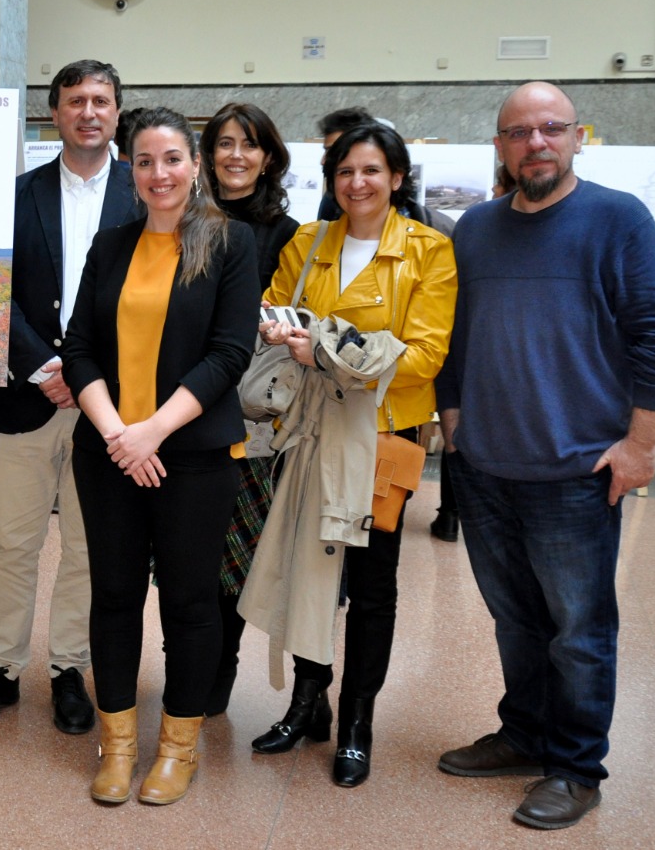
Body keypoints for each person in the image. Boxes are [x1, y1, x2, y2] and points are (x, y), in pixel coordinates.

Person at [435, 82, 655, 830]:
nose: (535, 143)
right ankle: (524, 733)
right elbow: (455, 336)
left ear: (579, 136)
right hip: (484, 467)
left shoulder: (617, 219)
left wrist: (641, 446)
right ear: (500, 146)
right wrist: (455, 421)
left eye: (551, 128)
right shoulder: (475, 229)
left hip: (576, 474)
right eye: (519, 133)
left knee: (578, 630)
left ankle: (576, 766)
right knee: (514, 619)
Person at [240, 121, 456, 788]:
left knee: (370, 587)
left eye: (370, 170)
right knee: (311, 570)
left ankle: (358, 721)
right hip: (311, 431)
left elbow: (424, 357)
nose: (356, 183)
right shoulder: (310, 241)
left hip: (385, 433)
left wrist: (328, 348)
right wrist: (277, 325)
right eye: (344, 172)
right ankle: (309, 703)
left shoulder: (429, 252)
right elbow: (277, 310)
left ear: (397, 177)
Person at [62, 106, 259, 804]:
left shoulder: (230, 245)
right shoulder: (111, 244)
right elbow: (79, 346)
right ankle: (117, 746)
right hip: (108, 450)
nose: (159, 174)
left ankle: (179, 746)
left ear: (194, 165)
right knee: (114, 595)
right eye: (144, 161)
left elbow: (229, 354)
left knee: (189, 601)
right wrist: (120, 431)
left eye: (171, 158)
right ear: (130, 169)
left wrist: (152, 432)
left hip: (194, 456)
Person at [0, 60, 140, 736]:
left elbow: (153, 304)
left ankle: (69, 667)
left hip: (111, 409)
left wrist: (87, 375)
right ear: (53, 113)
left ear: (118, 112)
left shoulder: (143, 195)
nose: (88, 111)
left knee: (90, 546)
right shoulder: (16, 194)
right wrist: (43, 365)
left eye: (100, 100)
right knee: (12, 543)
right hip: (25, 397)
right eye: (74, 101)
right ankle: (0, 667)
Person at [196, 102, 300, 715]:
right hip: (179, 407)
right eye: (225, 143)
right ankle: (188, 665)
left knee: (231, 556)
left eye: (250, 144)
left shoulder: (288, 236)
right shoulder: (181, 219)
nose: (236, 155)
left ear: (268, 158)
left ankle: (217, 675)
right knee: (183, 553)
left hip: (247, 418)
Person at [314, 107, 454, 237]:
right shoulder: (317, 229)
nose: (324, 160)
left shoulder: (433, 239)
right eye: (346, 171)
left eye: (370, 170)